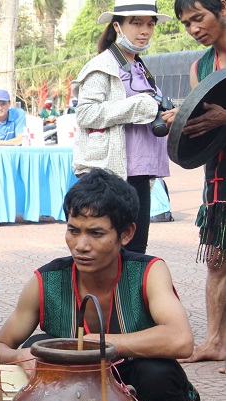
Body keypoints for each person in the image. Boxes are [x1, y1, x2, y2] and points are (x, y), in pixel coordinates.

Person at [0, 169, 195, 401]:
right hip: (69, 398)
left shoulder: (149, 272)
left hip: (135, 388)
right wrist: (20, 356)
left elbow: (180, 340)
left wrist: (94, 343)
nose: (81, 245)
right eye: (74, 230)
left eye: (96, 233)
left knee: (159, 373)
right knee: (42, 344)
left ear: (126, 233)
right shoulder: (46, 280)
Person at [71, 0, 172, 255]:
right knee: (107, 250)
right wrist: (139, 106)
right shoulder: (101, 67)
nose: (145, 30)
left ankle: (129, 296)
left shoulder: (141, 68)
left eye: (150, 24)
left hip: (141, 173)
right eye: (136, 23)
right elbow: (85, 114)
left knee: (136, 250)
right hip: (111, 173)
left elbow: (146, 110)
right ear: (117, 26)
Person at [169, 0, 226, 366]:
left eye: (199, 18)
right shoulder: (200, 67)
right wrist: (182, 120)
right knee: (217, 261)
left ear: (222, 8)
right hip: (219, 174)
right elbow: (200, 126)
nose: (194, 29)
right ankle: (215, 341)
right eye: (187, 23)